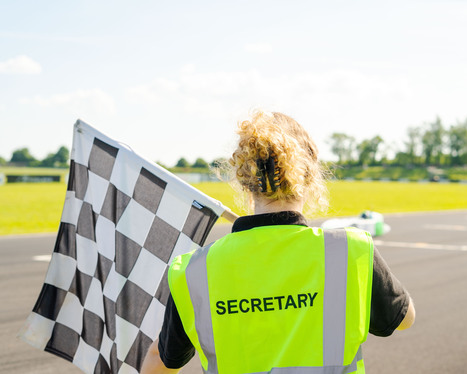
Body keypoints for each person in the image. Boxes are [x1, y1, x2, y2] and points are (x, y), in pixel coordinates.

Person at [140, 110, 415, 374]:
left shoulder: (195, 271)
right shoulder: (351, 250)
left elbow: (161, 360)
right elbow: (404, 318)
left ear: (245, 183)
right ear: (308, 179)